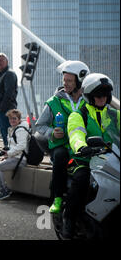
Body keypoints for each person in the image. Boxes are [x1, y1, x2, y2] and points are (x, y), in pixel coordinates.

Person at [64, 73, 119, 239]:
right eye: (98, 95)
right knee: (81, 180)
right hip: (84, 159)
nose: (102, 98)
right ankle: (70, 220)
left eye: (105, 94)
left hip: (112, 158)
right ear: (89, 96)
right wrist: (82, 146)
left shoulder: (115, 115)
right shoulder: (78, 115)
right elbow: (76, 133)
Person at [35, 60, 89, 214]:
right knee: (59, 156)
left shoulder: (89, 101)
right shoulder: (54, 101)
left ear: (80, 82)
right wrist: (51, 133)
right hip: (62, 145)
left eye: (69, 81)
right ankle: (57, 198)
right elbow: (40, 125)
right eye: (64, 80)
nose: (65, 83)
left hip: (82, 145)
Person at [0, 109, 30, 200]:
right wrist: (6, 154)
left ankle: (4, 191)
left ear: (19, 119)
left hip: (20, 159)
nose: (12, 120)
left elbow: (22, 146)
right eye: (10, 119)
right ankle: (4, 190)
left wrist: (9, 153)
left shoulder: (20, 130)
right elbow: (12, 146)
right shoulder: (12, 129)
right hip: (15, 157)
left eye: (14, 118)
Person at [0, 52, 18, 148]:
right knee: (4, 131)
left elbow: (9, 93)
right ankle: (7, 149)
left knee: (7, 131)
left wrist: (1, 108)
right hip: (0, 109)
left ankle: (10, 150)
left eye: (1, 60)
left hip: (6, 110)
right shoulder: (1, 75)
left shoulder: (9, 74)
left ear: (7, 62)